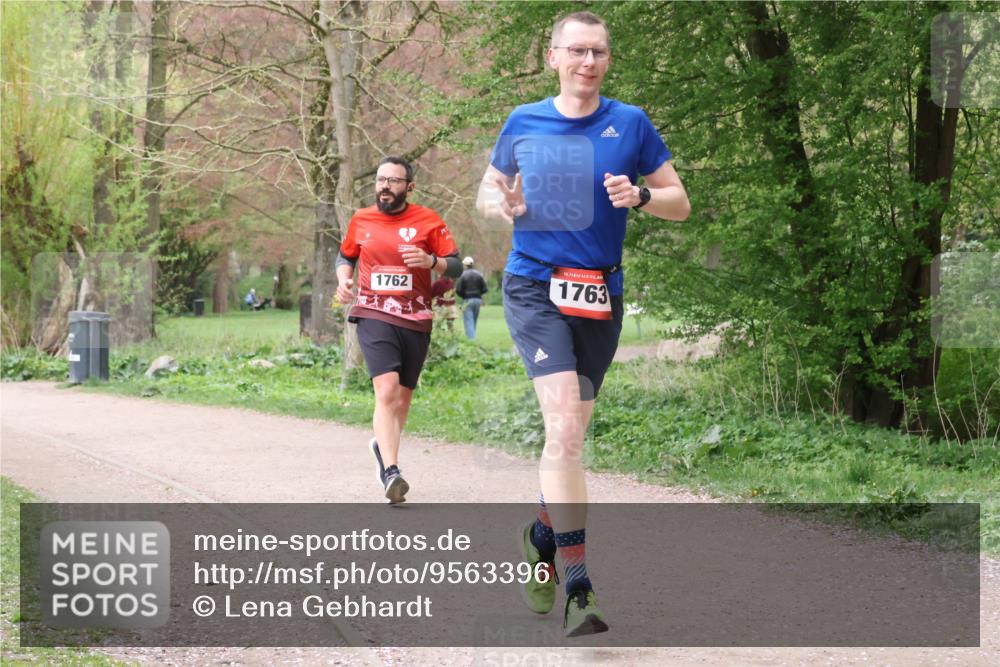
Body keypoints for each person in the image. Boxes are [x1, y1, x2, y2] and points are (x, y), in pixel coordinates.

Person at [475, 11, 690, 637]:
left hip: (600, 294)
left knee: (568, 442)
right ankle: (577, 584)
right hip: (534, 285)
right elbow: (488, 193)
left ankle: (542, 535)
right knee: (564, 428)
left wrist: (643, 198)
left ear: (608, 60)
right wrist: (503, 205)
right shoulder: (524, 121)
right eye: (577, 51)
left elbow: (680, 201)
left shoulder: (632, 123)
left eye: (598, 52)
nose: (587, 62)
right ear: (553, 57)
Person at [337, 156, 462, 503]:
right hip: (374, 312)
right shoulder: (361, 219)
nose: (385, 186)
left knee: (403, 398)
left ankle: (383, 445)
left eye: (393, 181)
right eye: (380, 179)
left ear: (409, 187)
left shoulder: (428, 221)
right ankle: (391, 471)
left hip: (417, 317)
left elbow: (456, 264)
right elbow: (345, 256)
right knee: (387, 391)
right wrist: (344, 280)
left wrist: (431, 262)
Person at [454, 256, 488, 340]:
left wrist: (463, 296)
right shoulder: (479, 275)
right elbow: (484, 289)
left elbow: (458, 290)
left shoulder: (463, 275)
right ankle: (472, 338)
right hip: (477, 300)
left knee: (469, 321)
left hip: (467, 300)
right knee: (474, 321)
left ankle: (471, 341)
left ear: (465, 265)